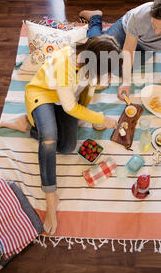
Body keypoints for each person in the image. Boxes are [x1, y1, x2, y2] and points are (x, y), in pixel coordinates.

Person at [25, 35, 120, 235]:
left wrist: (103, 79)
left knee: (68, 147)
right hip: (44, 95)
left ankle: (32, 128)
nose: (107, 75)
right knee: (49, 138)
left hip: (65, 101)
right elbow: (70, 108)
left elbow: (81, 92)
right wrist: (100, 119)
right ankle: (50, 196)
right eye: (106, 71)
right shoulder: (65, 63)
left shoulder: (90, 58)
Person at [79, 0, 161, 101]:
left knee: (118, 70)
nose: (156, 32)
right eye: (154, 25)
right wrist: (126, 83)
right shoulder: (139, 15)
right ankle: (95, 18)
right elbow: (129, 50)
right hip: (125, 31)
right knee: (93, 53)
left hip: (147, 48)